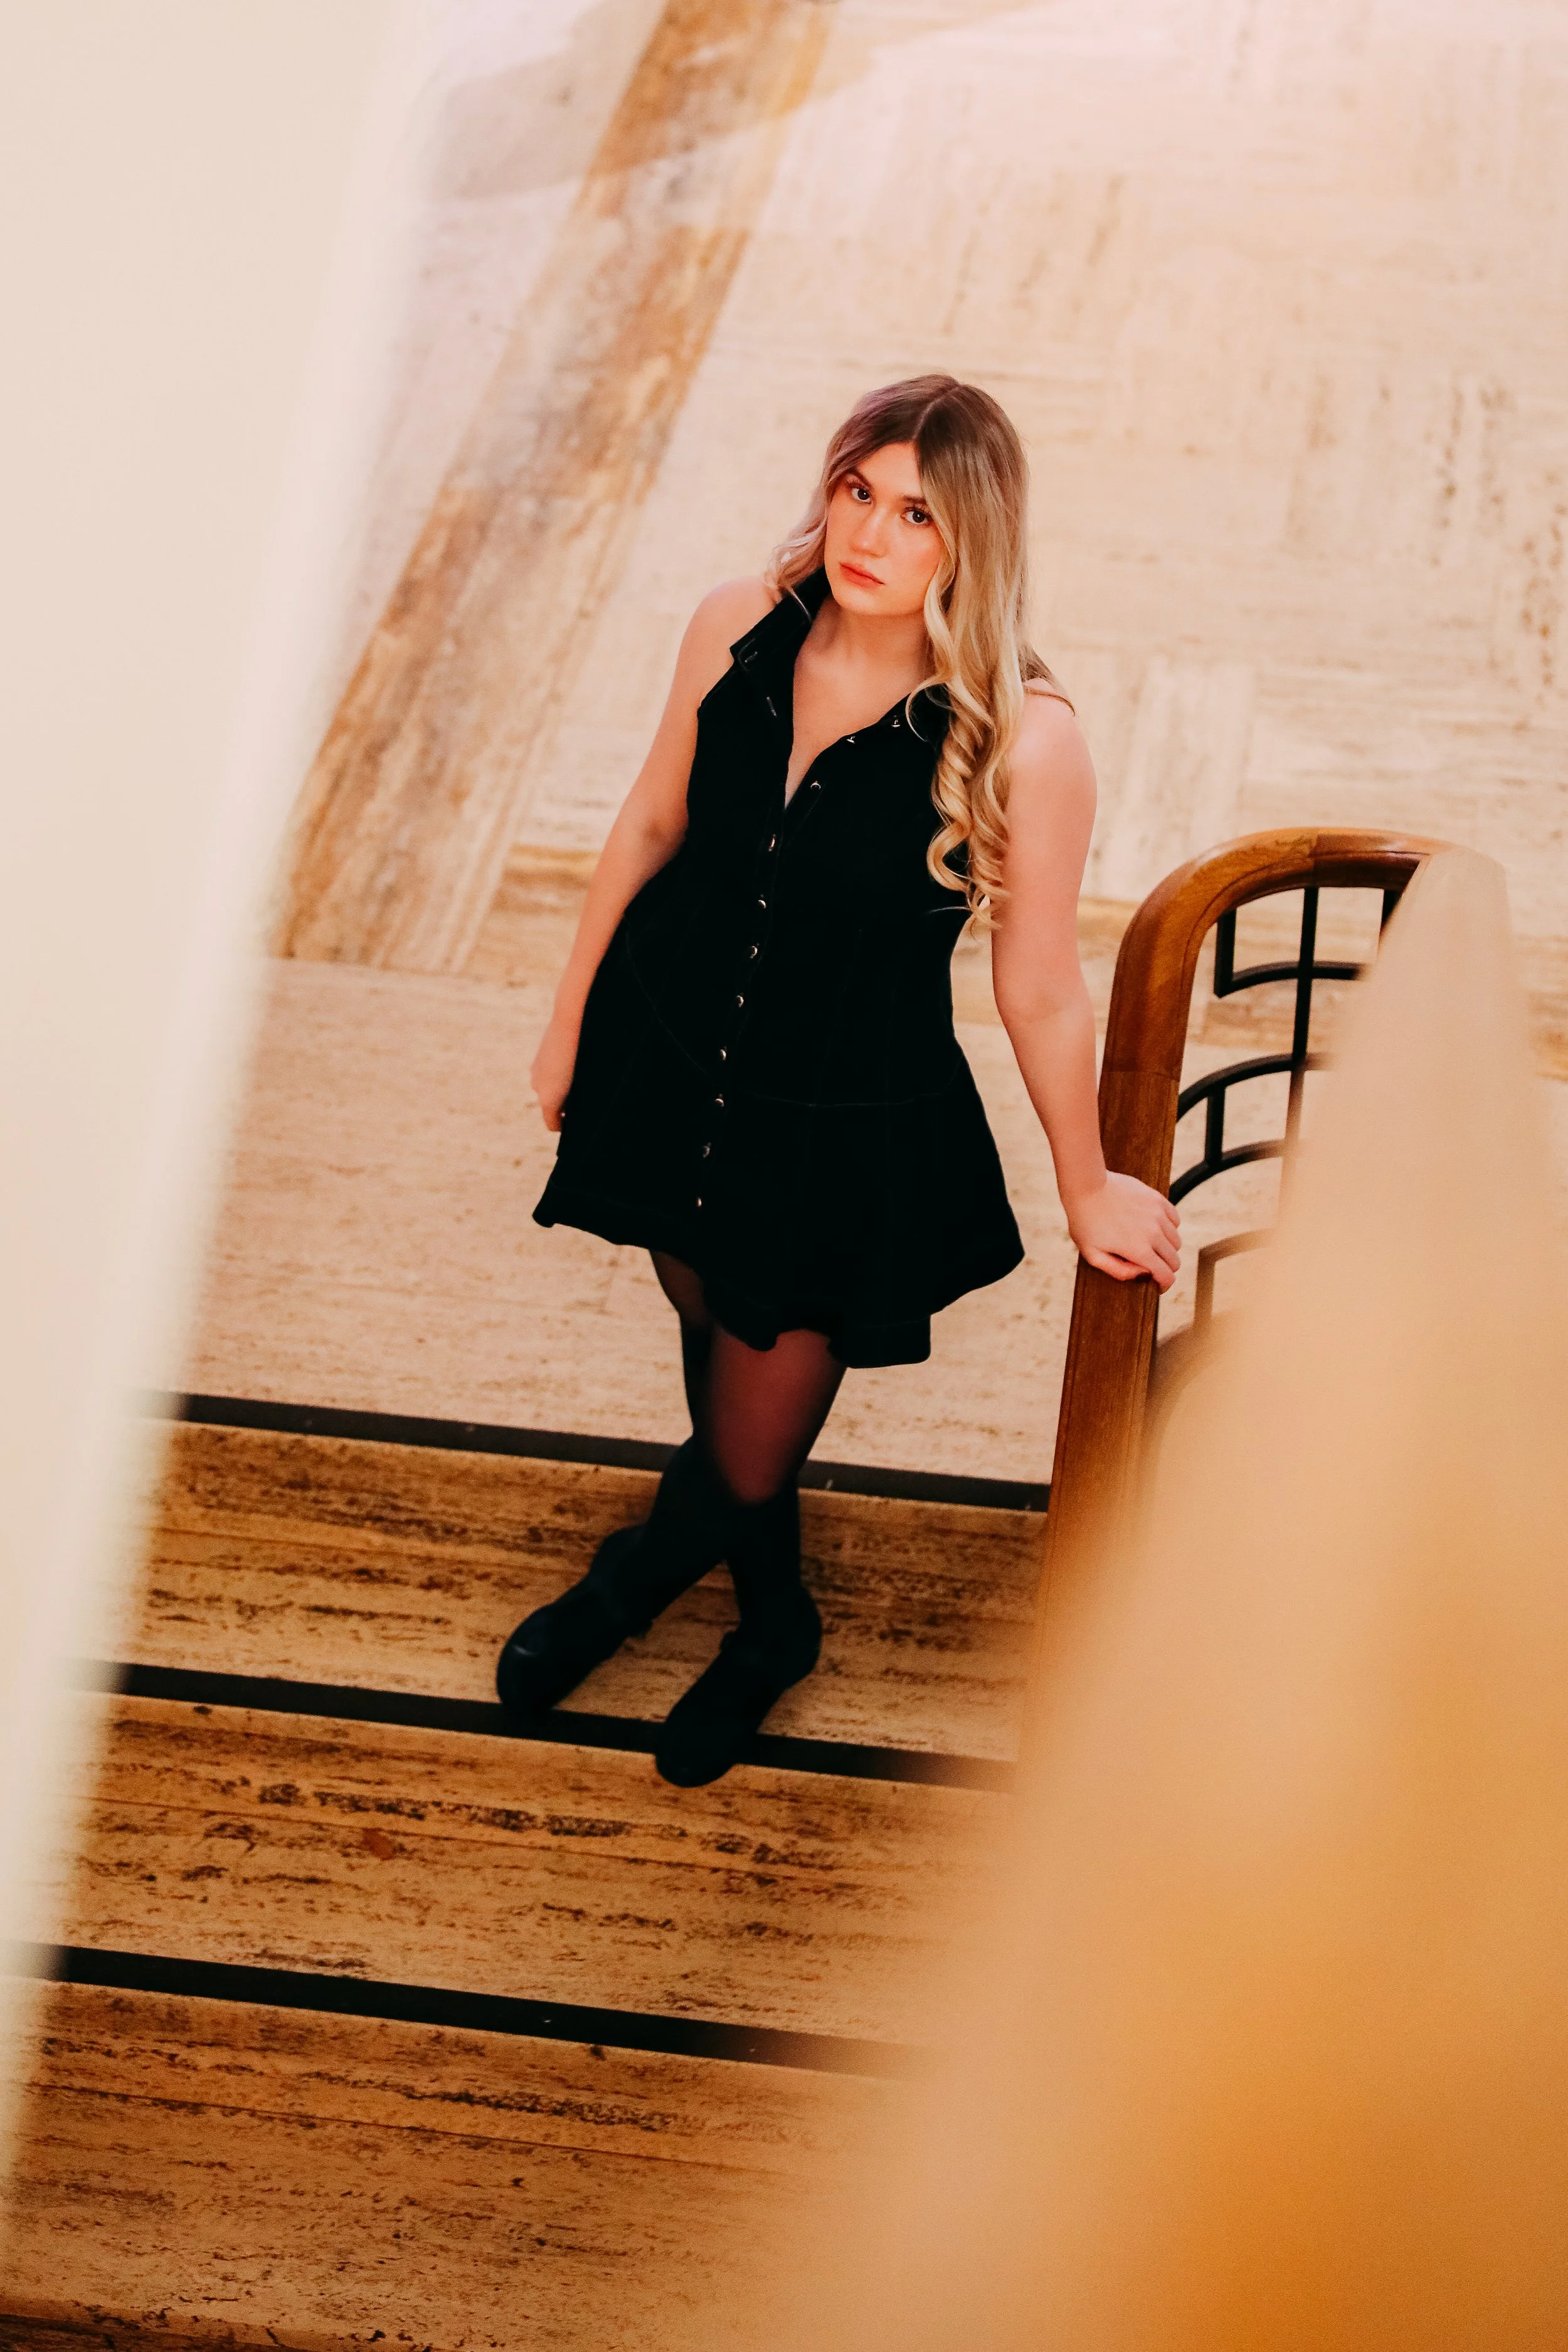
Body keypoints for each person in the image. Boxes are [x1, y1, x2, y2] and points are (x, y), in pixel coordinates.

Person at [497, 374, 1180, 1786]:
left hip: (834, 1128)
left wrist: (1085, 1179)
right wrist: (568, 1021)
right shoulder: (735, 623)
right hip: (670, 1058)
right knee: (713, 1343)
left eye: (916, 512)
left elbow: (1037, 981)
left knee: (746, 1448)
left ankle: (646, 1585)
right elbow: (647, 826)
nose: (870, 533)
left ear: (969, 539)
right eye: (857, 490)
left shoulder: (1020, 737)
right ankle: (770, 1619)